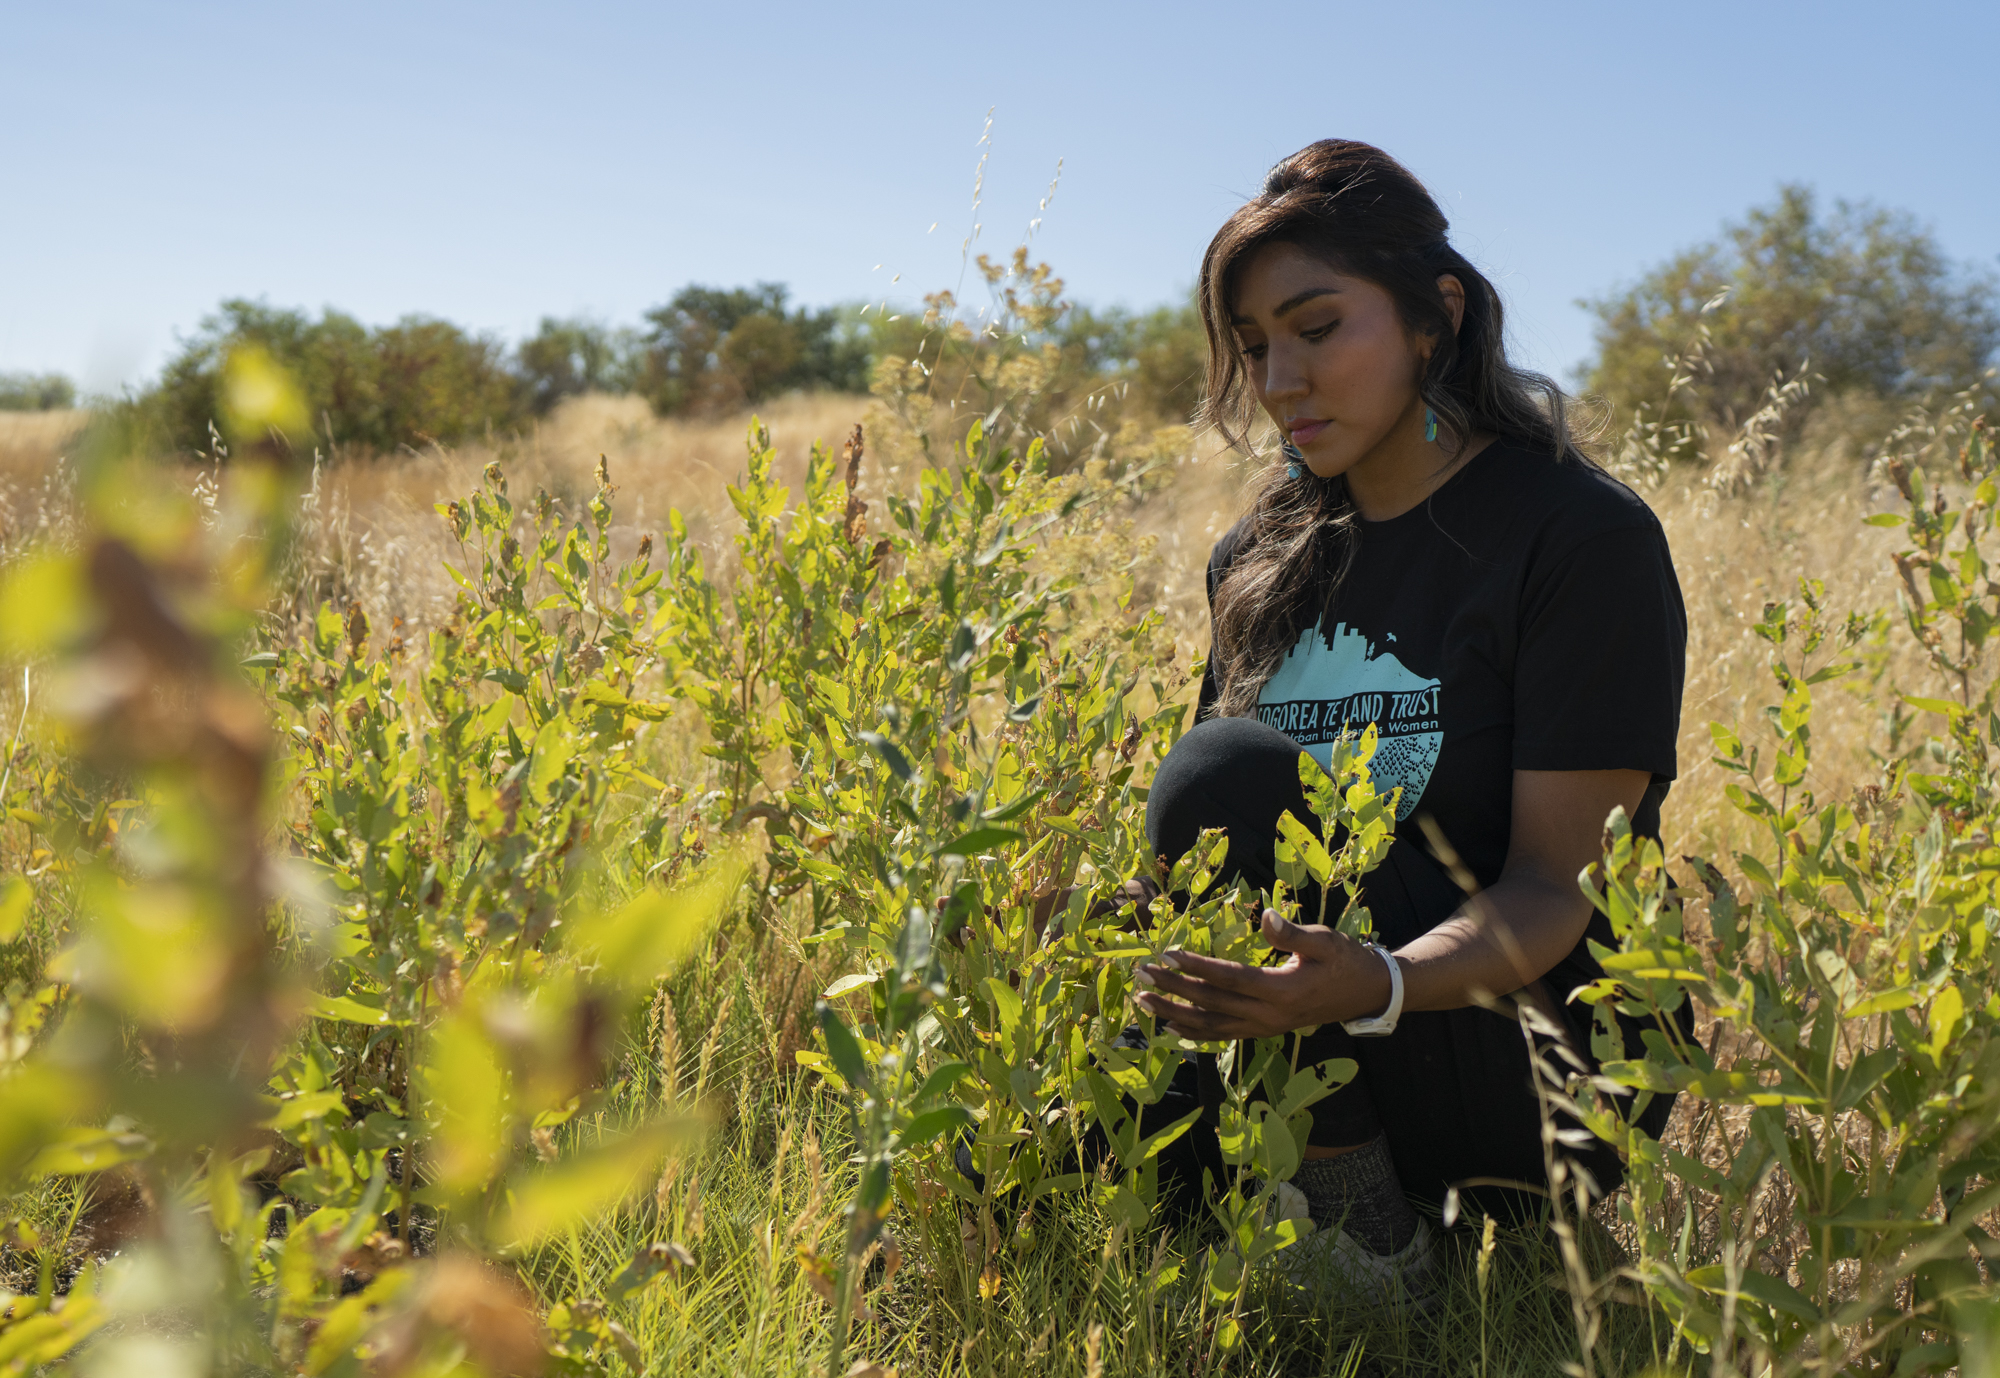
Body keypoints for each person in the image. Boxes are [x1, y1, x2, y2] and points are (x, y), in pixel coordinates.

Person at [1126, 139, 1688, 1301]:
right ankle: (1280, 1200)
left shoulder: (1575, 539)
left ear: (1434, 316)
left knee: (1222, 773)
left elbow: (1553, 886)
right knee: (1063, 1064)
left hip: (1536, 1042)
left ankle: (1369, 1239)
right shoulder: (1261, 555)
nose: (1279, 379)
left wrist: (1372, 980)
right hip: (1317, 1006)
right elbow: (1207, 862)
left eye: (1316, 328)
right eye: (1251, 346)